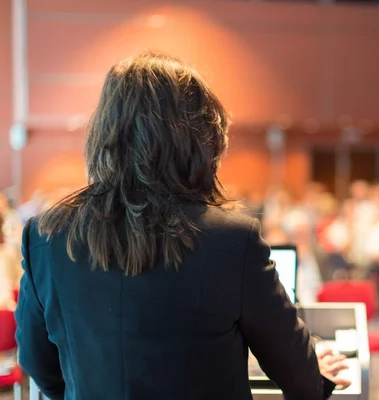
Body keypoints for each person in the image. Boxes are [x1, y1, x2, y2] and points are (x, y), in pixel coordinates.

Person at [15, 52, 350, 400]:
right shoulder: (232, 240)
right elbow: (300, 381)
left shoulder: (47, 237)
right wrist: (316, 372)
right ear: (201, 140)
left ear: (103, 133)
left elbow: (40, 366)